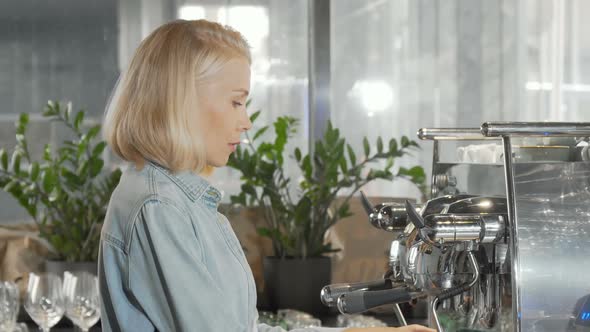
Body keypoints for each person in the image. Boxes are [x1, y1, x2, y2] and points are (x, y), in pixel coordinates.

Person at [98, 19, 435, 332]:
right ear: (182, 102)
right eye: (235, 103)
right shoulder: (161, 206)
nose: (246, 122)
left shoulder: (176, 200)